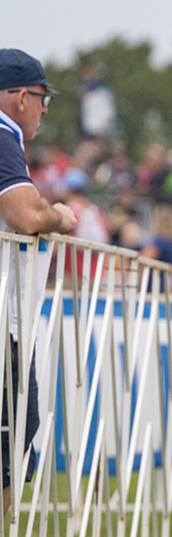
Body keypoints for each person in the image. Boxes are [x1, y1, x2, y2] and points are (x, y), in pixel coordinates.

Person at [0, 48, 76, 512]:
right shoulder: (3, 132)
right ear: (22, 97)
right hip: (2, 316)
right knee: (13, 436)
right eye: (44, 99)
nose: (45, 111)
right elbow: (26, 214)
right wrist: (60, 216)